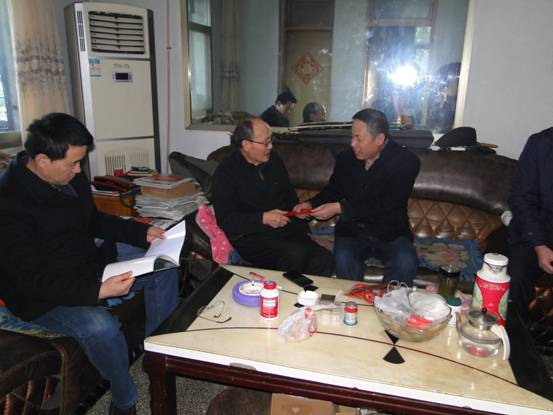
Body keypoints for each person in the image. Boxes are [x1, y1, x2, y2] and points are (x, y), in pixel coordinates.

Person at [0, 113, 179, 415]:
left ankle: (155, 354)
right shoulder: (9, 203)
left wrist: (140, 232)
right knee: (101, 327)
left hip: (86, 264)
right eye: (73, 163)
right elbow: (31, 281)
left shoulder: (67, 176)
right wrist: (97, 292)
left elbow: (92, 220)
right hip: (43, 296)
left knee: (164, 265)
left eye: (80, 162)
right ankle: (124, 400)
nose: (79, 169)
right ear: (42, 160)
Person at [294, 108, 420, 284]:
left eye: (358, 138)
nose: (352, 144)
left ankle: (392, 301)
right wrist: (310, 204)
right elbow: (334, 189)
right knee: (344, 259)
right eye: (352, 137)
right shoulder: (346, 158)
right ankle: (350, 299)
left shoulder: (406, 162)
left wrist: (340, 208)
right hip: (352, 231)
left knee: (406, 261)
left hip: (391, 232)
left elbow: (386, 204)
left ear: (380, 139)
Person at [212, 117, 334, 276]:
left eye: (271, 140)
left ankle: (310, 293)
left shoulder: (274, 160)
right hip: (251, 236)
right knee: (295, 255)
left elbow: (289, 196)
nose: (270, 146)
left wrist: (299, 215)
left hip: (285, 230)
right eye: (265, 142)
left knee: (324, 258)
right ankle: (278, 291)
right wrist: (263, 218)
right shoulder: (226, 173)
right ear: (246, 145)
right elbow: (226, 220)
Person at [508, 128, 553, 322]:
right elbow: (522, 199)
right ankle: (516, 334)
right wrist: (540, 245)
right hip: (536, 234)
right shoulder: (541, 144)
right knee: (516, 276)